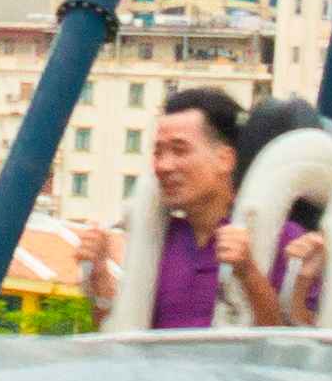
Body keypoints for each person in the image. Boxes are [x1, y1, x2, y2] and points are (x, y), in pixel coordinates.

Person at [75, 85, 313, 327]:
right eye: (158, 152)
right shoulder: (155, 240)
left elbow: (294, 341)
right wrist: (99, 276)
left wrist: (249, 273)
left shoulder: (283, 239)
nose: (164, 166)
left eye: (179, 150)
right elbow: (121, 337)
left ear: (225, 159)